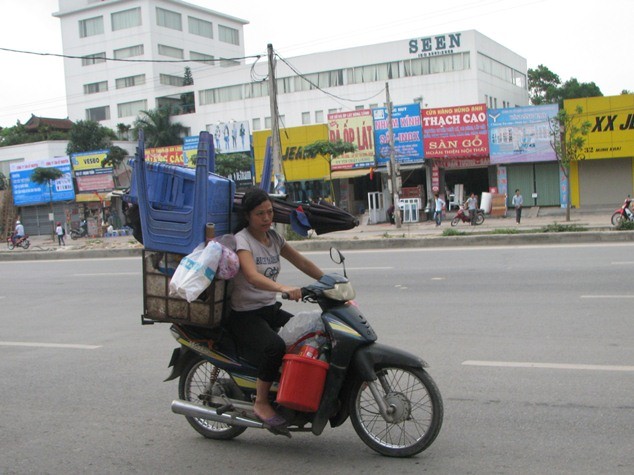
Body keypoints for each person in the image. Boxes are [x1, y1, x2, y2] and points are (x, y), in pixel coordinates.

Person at [227, 188, 324, 429]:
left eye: (269, 212)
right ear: (248, 216)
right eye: (260, 214)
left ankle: (288, 389)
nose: (266, 218)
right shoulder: (242, 240)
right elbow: (251, 276)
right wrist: (283, 287)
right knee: (275, 347)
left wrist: (329, 281)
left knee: (310, 335)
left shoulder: (275, 238)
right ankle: (261, 402)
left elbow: (301, 261)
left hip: (268, 307)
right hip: (245, 313)